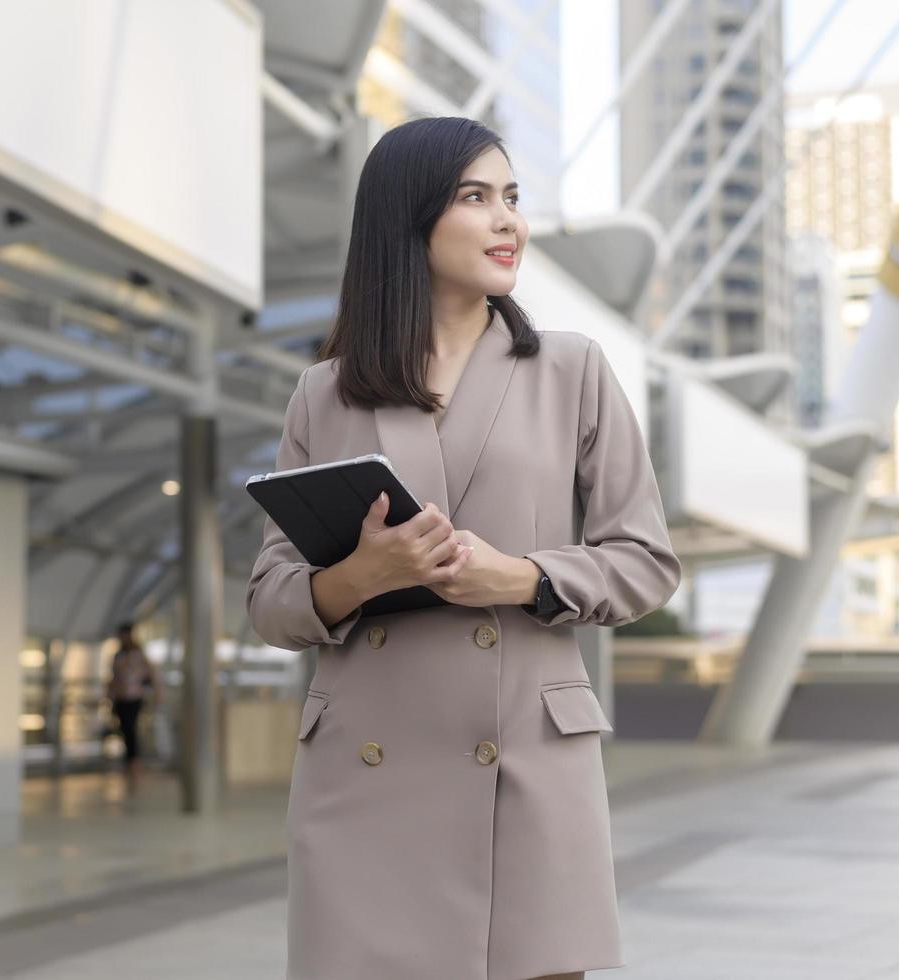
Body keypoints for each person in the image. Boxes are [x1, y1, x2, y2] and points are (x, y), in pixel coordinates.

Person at [245, 117, 682, 980]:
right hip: (365, 781)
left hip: (522, 765)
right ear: (406, 220)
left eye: (512, 198)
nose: (507, 221)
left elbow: (645, 560)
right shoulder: (323, 393)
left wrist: (518, 577)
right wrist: (359, 577)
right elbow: (269, 597)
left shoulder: (571, 369)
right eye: (475, 198)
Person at [107, 619, 161, 793]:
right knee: (125, 729)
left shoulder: (138, 654)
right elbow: (114, 677)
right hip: (121, 698)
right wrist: (110, 695)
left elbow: (150, 674)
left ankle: (134, 762)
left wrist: (157, 692)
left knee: (131, 728)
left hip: (134, 698)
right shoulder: (118, 655)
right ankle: (130, 761)